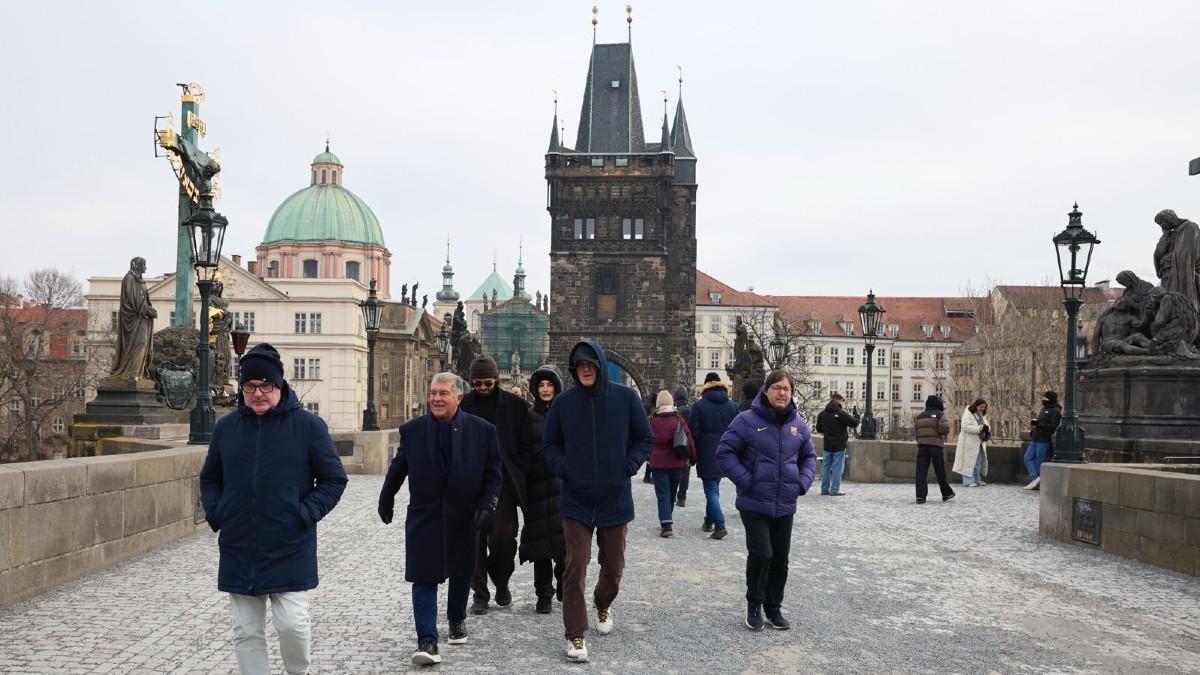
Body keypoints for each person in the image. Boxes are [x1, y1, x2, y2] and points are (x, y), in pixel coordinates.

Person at [199, 343, 348, 675]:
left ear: (280, 386)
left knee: (292, 624)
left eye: (266, 385)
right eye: (250, 386)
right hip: (240, 544)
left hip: (288, 543)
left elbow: (334, 480)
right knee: (246, 631)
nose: (258, 393)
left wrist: (303, 514)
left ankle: (298, 672)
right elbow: (210, 479)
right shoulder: (227, 428)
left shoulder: (309, 426)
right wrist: (217, 512)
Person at [377, 372, 502, 666]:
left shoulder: (482, 431)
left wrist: (489, 505)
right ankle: (427, 640)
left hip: (464, 512)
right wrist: (387, 496)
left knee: (461, 570)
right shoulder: (413, 430)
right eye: (433, 393)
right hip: (425, 513)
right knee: (424, 576)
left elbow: (494, 473)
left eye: (443, 393)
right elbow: (399, 466)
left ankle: (457, 620)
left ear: (459, 397)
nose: (436, 398)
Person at [543, 341, 653, 663]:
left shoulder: (626, 398)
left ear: (601, 366)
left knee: (614, 567)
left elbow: (644, 438)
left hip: (614, 497)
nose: (586, 369)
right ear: (575, 370)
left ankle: (603, 602)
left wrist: (627, 466)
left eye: (591, 364)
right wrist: (565, 469)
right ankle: (575, 634)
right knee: (575, 566)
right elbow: (550, 445)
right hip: (576, 498)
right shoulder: (563, 404)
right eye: (580, 366)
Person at [717, 370, 817, 632]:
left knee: (780, 559)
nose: (782, 393)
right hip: (754, 502)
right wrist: (746, 480)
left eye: (786, 389)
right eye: (777, 388)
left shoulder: (799, 425)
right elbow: (725, 452)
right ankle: (754, 604)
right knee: (762, 553)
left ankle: (774, 608)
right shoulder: (746, 420)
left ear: (792, 393)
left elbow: (809, 457)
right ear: (766, 391)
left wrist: (802, 482)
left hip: (785, 503)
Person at [460, 355, 537, 615]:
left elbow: (525, 446)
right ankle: (480, 593)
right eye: (478, 383)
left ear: (496, 380)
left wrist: (519, 470)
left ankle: (501, 581)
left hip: (503, 483)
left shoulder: (515, 406)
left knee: (504, 538)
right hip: (471, 484)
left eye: (488, 383)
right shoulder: (463, 406)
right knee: (473, 541)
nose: (483, 388)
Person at [523, 364, 567, 614]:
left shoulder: (566, 415)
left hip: (561, 487)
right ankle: (543, 594)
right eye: (541, 385)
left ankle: (563, 582)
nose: (545, 389)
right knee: (540, 545)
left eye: (550, 385)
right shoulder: (528, 417)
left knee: (564, 544)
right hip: (537, 487)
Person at [688, 372, 739, 539]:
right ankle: (709, 521)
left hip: (707, 452)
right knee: (714, 487)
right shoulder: (732, 406)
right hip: (726, 452)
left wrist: (693, 453)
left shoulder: (699, 406)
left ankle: (719, 524)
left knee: (710, 489)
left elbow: (693, 432)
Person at [648, 390, 696, 538]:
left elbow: (644, 440)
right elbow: (689, 439)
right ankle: (667, 519)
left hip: (657, 462)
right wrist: (693, 458)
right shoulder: (678, 420)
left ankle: (666, 522)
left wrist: (646, 457)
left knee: (662, 493)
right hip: (676, 461)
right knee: (671, 492)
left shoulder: (651, 421)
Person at [109, 256, 157, 380]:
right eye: (144, 265)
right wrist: (146, 310)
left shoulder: (141, 281)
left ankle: (138, 372)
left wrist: (150, 309)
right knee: (140, 343)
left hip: (142, 319)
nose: (146, 267)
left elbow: (143, 299)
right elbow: (131, 299)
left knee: (144, 344)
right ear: (137, 265)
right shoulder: (129, 279)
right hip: (132, 320)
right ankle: (132, 372)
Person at [814, 393, 859, 496]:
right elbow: (854, 423)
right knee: (837, 468)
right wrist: (856, 415)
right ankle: (834, 490)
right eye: (842, 401)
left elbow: (819, 429)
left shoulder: (822, 414)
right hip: (839, 445)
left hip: (827, 445)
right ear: (838, 401)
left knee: (825, 467)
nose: (842, 403)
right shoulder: (841, 413)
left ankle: (824, 490)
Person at [914, 395, 955, 504]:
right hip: (935, 446)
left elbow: (916, 430)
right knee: (940, 471)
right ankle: (946, 493)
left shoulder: (920, 416)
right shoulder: (939, 415)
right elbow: (945, 429)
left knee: (921, 473)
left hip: (922, 447)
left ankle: (920, 496)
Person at [1023, 391, 1062, 490]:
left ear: (1051, 399)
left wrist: (1039, 425)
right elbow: (1041, 423)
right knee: (1027, 457)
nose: (1043, 399)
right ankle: (1036, 478)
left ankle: (1037, 482)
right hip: (1036, 438)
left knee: (1039, 462)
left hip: (1044, 440)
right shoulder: (1043, 409)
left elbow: (1052, 427)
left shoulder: (1056, 411)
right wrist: (1035, 427)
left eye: (1045, 398)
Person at [953, 399, 990, 487]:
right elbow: (965, 427)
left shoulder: (982, 415)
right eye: (981, 407)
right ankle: (968, 481)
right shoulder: (968, 414)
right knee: (968, 462)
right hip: (968, 442)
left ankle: (977, 479)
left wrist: (986, 428)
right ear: (976, 406)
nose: (982, 409)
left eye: (984, 407)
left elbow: (987, 425)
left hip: (978, 442)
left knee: (977, 462)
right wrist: (979, 428)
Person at [672, 386, 694, 507]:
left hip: (675, 444)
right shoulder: (691, 410)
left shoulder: (674, 411)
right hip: (688, 444)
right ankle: (682, 497)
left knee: (675, 470)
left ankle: (673, 493)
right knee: (686, 471)